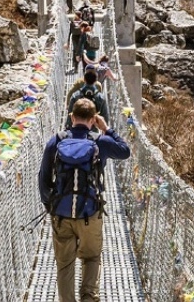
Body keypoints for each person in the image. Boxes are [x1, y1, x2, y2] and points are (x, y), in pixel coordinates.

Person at [38, 98, 130, 302]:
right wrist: (107, 129)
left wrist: (50, 206)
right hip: (90, 213)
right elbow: (125, 151)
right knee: (91, 258)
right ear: (93, 119)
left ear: (72, 117)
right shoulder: (100, 142)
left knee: (64, 265)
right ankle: (89, 298)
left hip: (61, 215)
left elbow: (43, 178)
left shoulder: (56, 141)